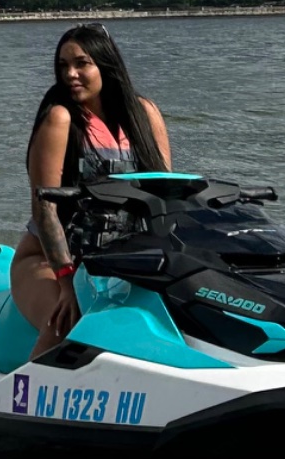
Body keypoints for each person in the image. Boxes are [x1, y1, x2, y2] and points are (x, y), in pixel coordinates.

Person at [9, 24, 171, 356]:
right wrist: (67, 283)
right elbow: (45, 210)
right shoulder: (60, 119)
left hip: (118, 261)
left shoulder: (145, 115)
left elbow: (166, 195)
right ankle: (27, 386)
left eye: (82, 63)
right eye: (63, 65)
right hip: (50, 261)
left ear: (106, 65)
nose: (70, 74)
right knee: (71, 324)